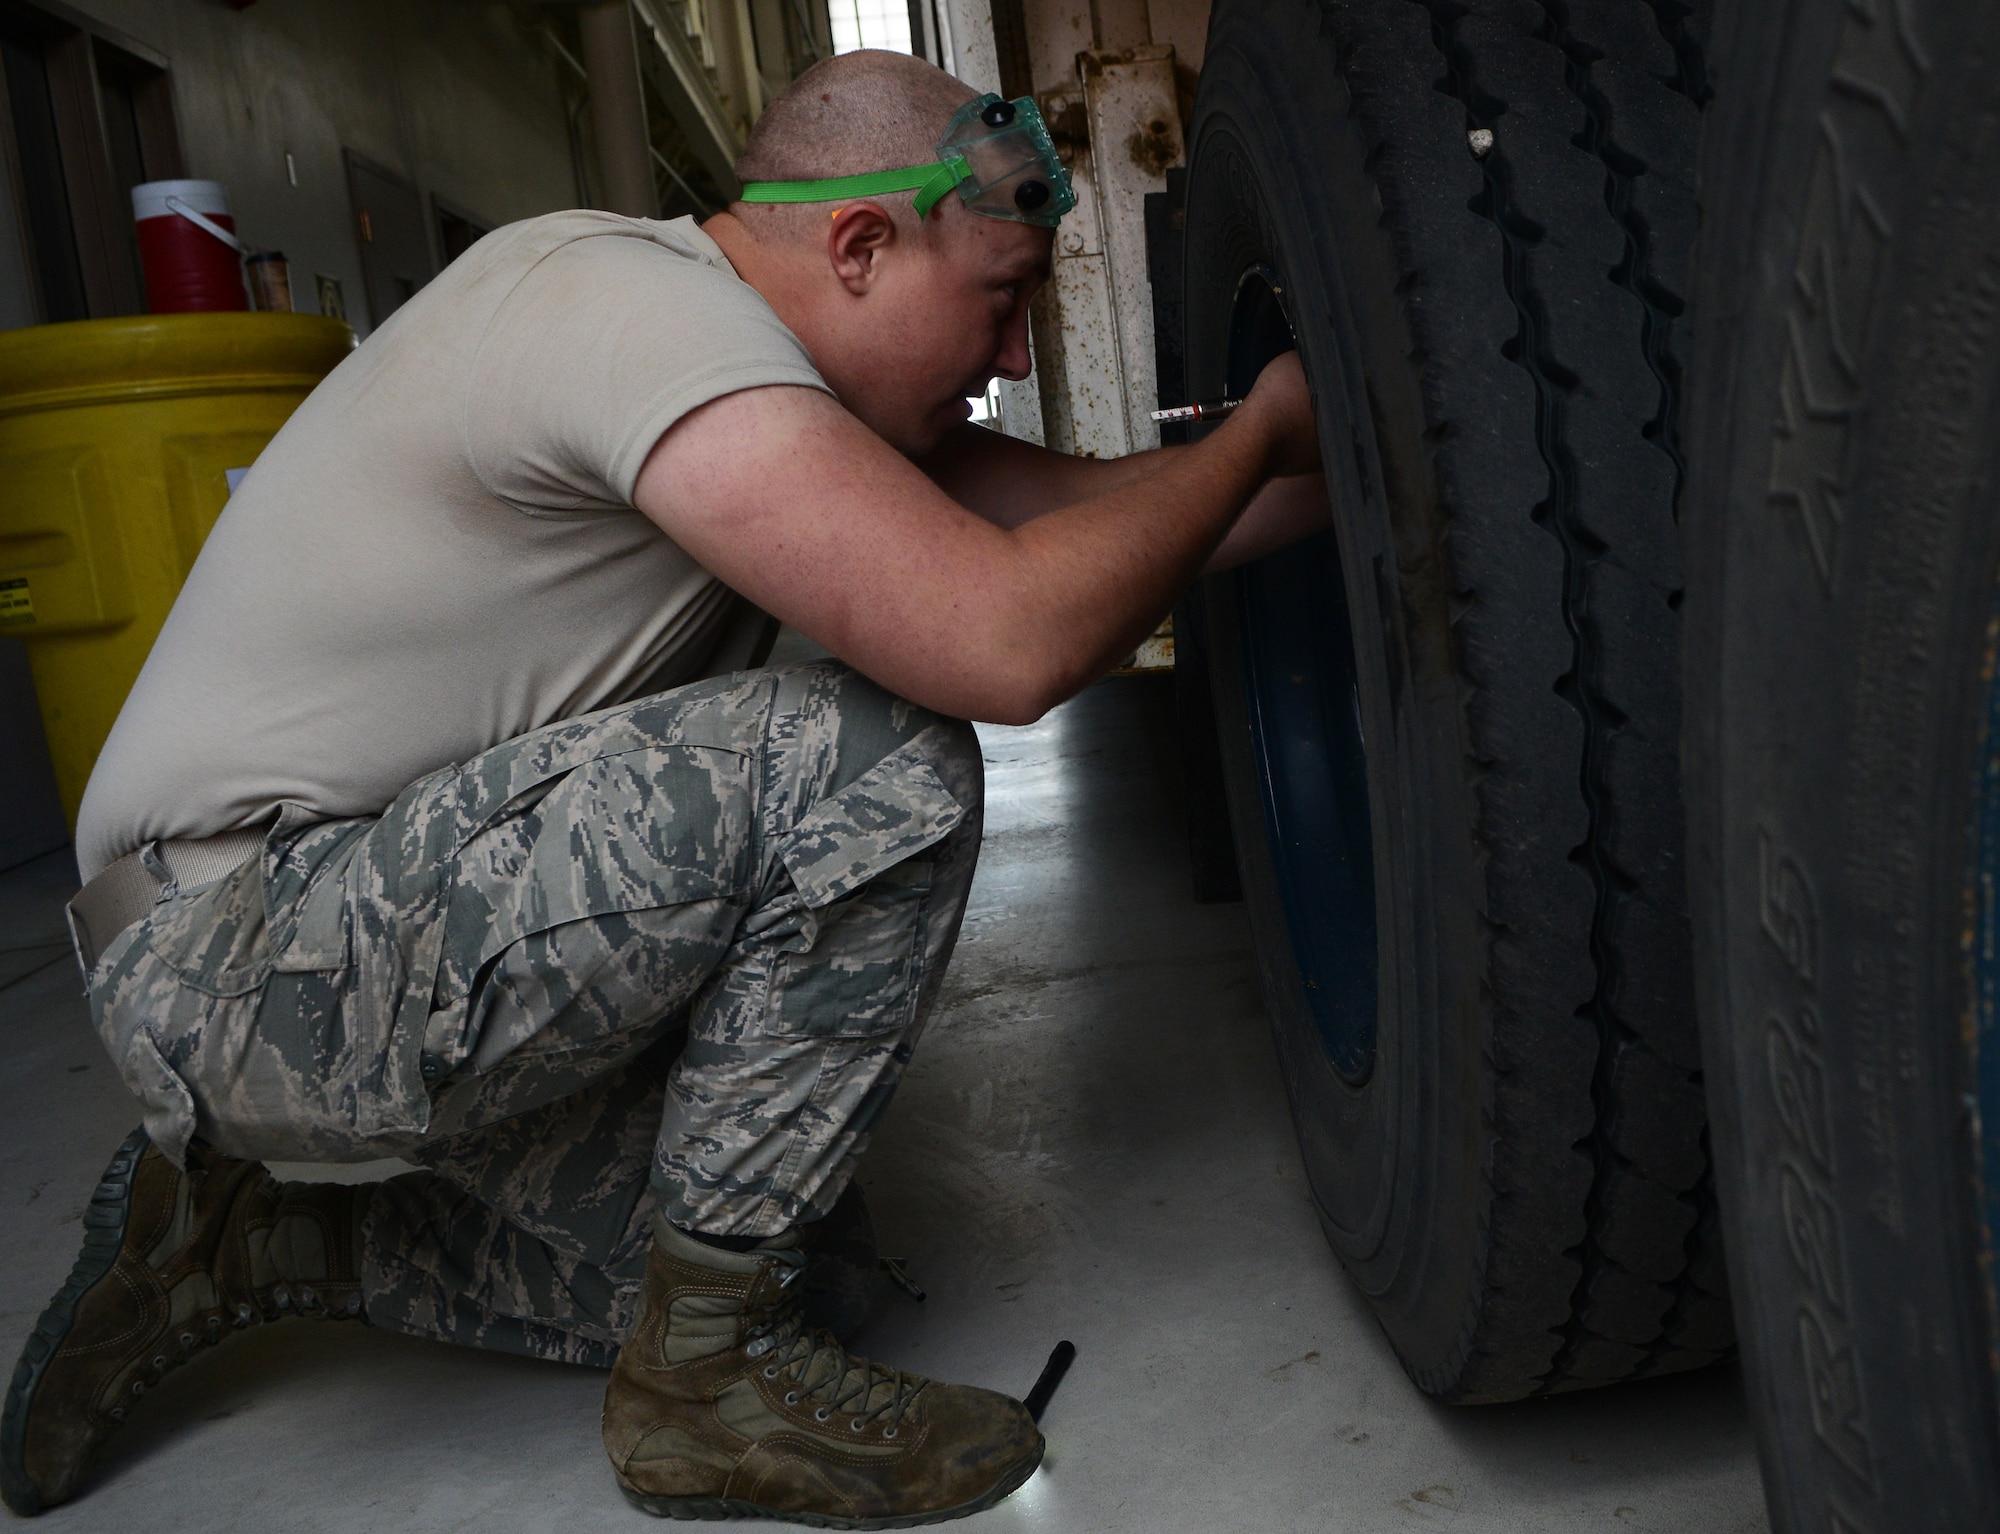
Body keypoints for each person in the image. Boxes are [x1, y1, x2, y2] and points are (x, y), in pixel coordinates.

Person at [0, 49, 1324, 1528]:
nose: (1013, 355)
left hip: (361, 929)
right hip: (228, 947)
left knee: (807, 1265)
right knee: (871, 758)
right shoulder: (631, 315)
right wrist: (1263, 428)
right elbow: (1004, 639)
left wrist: (1327, 463)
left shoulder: (767, 369)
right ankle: (707, 1382)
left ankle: (254, 1236)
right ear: (863, 245)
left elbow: (1091, 523)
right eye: (999, 299)